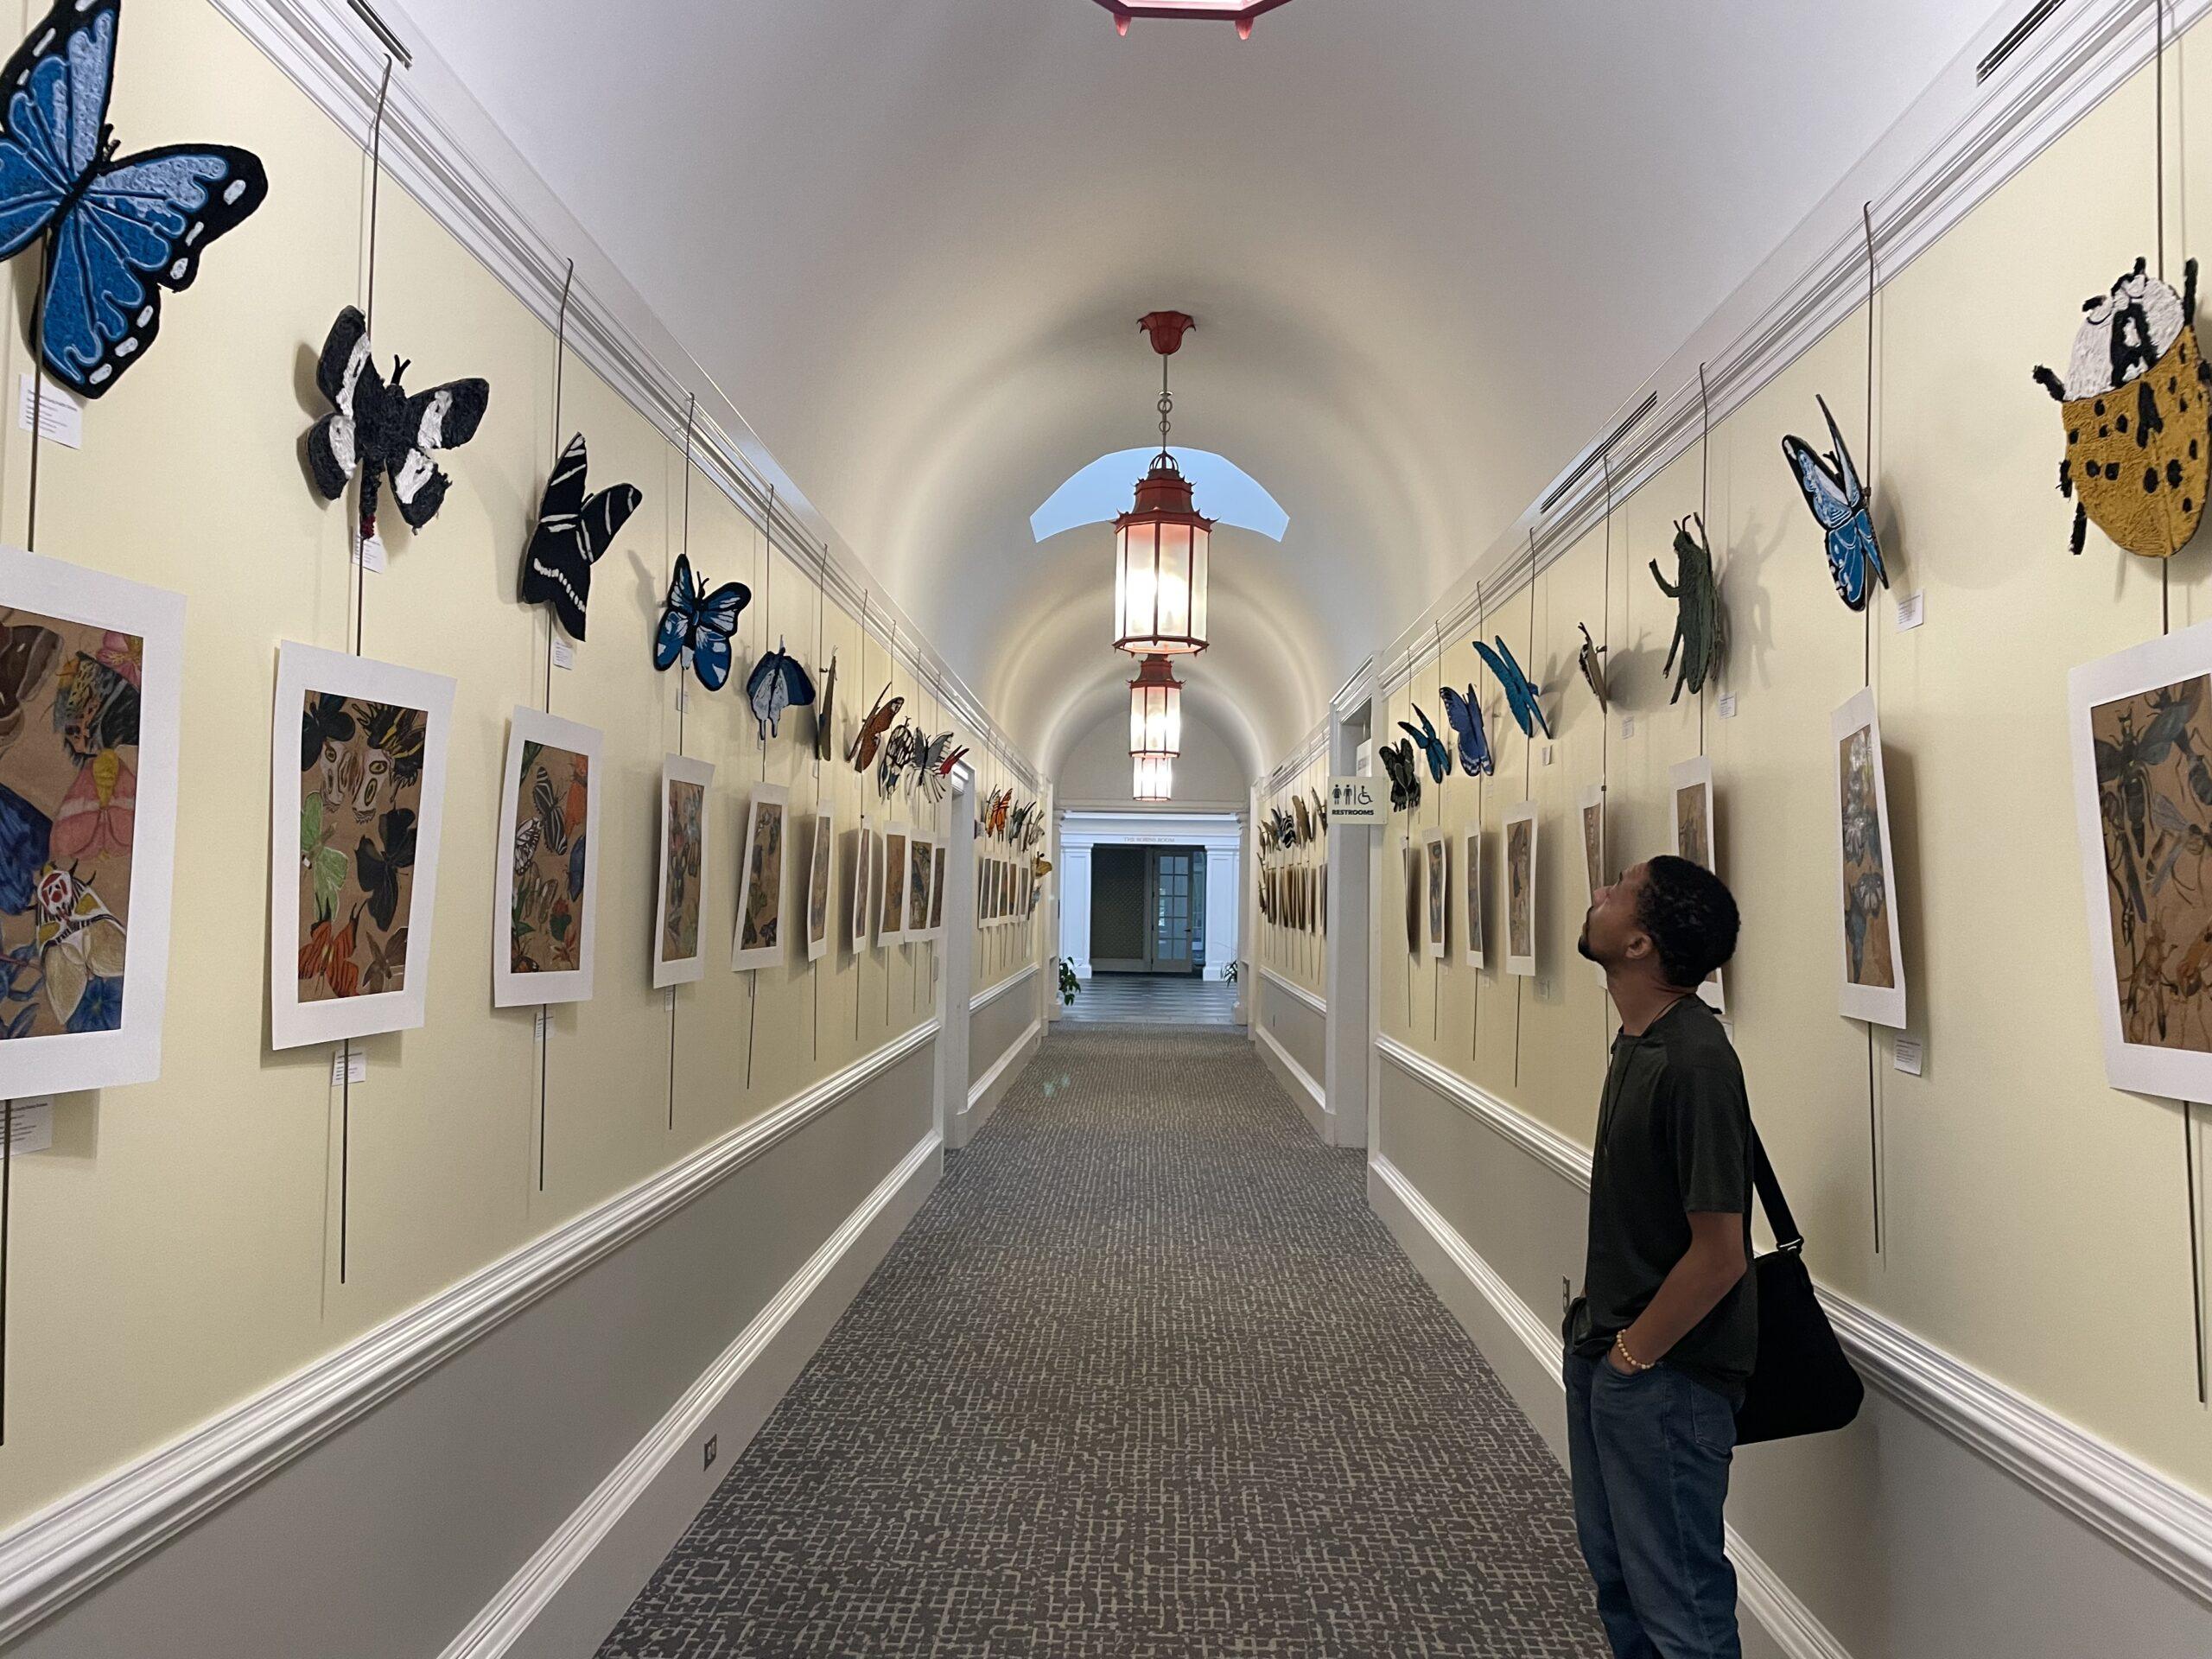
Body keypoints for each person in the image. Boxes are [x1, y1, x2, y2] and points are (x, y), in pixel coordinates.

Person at [1565, 855, 1752, 1659]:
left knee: (1681, 1609)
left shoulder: (1694, 1061)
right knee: (1621, 1584)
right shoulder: (1640, 1042)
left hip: (1667, 1376)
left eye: (1619, 890)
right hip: (1614, 1353)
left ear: (1640, 943)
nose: (1599, 894)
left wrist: (1633, 1359)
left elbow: (1721, 1254)